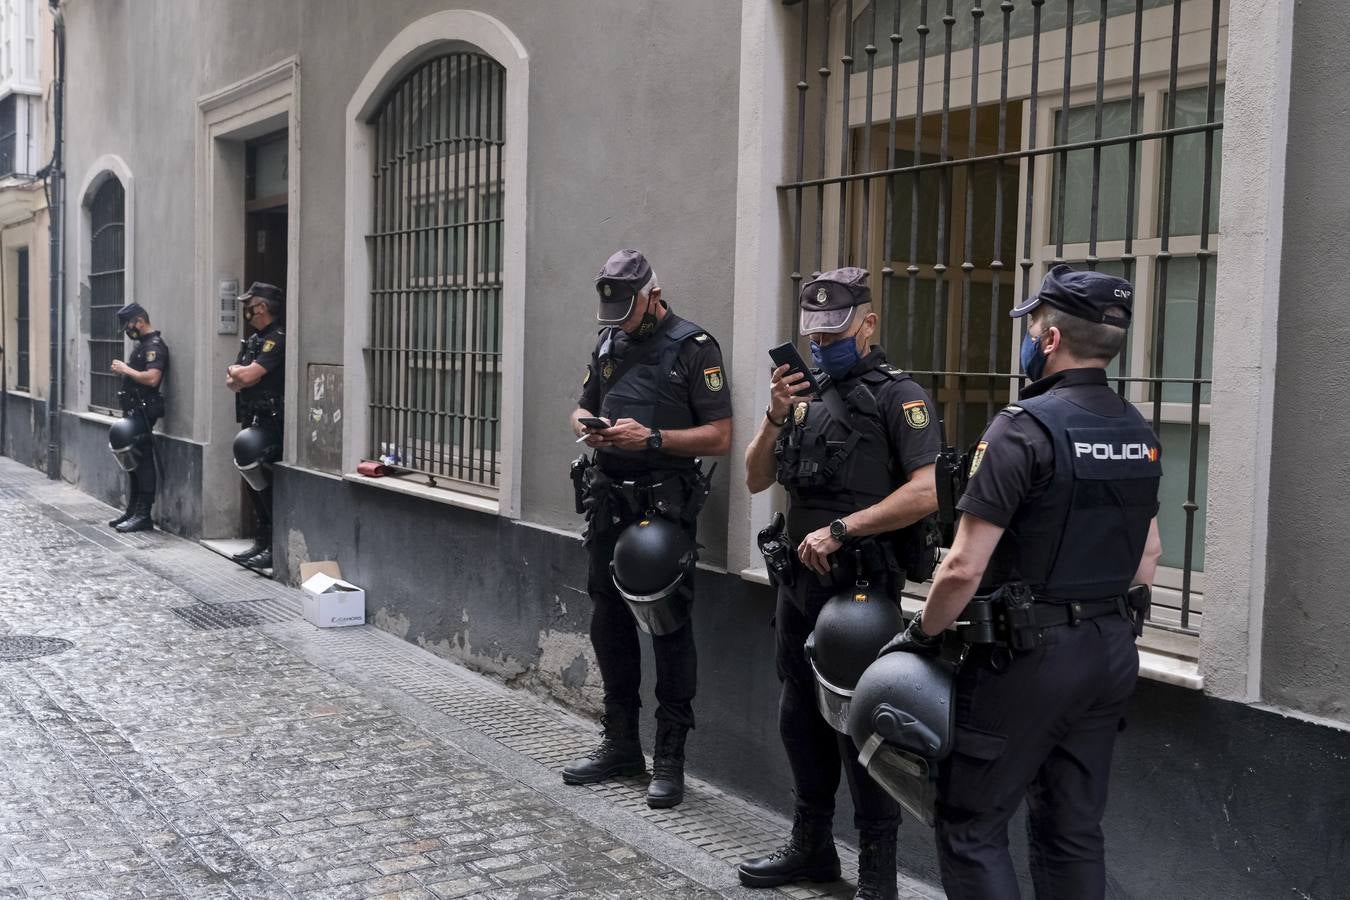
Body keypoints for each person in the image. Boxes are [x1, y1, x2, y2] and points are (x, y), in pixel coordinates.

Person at [879, 264, 1163, 899]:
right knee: (1073, 829)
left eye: (1033, 325)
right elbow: (1149, 556)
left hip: (1028, 659)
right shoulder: (1137, 430)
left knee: (972, 825)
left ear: (1053, 339)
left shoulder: (1023, 427)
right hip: (1112, 651)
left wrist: (923, 636)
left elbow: (962, 566)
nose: (1029, 336)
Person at [739, 267, 940, 900]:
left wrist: (844, 530)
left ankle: (878, 875)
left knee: (863, 725)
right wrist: (773, 416)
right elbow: (752, 477)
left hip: (860, 593)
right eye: (814, 334)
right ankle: (813, 847)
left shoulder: (898, 396)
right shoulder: (800, 395)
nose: (823, 344)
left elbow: (929, 489)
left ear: (869, 324)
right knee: (799, 715)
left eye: (837, 331)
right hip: (799, 587)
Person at [563, 249, 732, 809]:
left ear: (653, 296)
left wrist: (652, 440)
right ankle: (620, 744)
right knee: (607, 623)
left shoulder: (694, 347)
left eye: (627, 308)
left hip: (663, 508)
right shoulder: (610, 341)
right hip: (609, 503)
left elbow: (720, 436)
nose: (619, 319)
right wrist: (590, 428)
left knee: (667, 628)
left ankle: (670, 757)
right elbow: (580, 405)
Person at [225, 282, 286, 572]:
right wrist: (241, 375)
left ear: (261, 307)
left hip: (271, 423)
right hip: (253, 419)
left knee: (266, 484)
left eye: (249, 304)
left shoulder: (276, 339)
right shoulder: (253, 341)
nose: (245, 310)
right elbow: (232, 381)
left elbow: (247, 376)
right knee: (252, 482)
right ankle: (261, 542)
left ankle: (274, 546)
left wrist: (242, 375)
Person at [107, 303, 168, 533]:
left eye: (129, 325)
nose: (127, 330)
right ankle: (133, 511)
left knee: (142, 462)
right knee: (132, 464)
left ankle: (143, 515)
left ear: (140, 321)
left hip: (144, 412)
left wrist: (126, 369)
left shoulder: (154, 346)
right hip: (134, 411)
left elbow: (152, 378)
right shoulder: (142, 346)